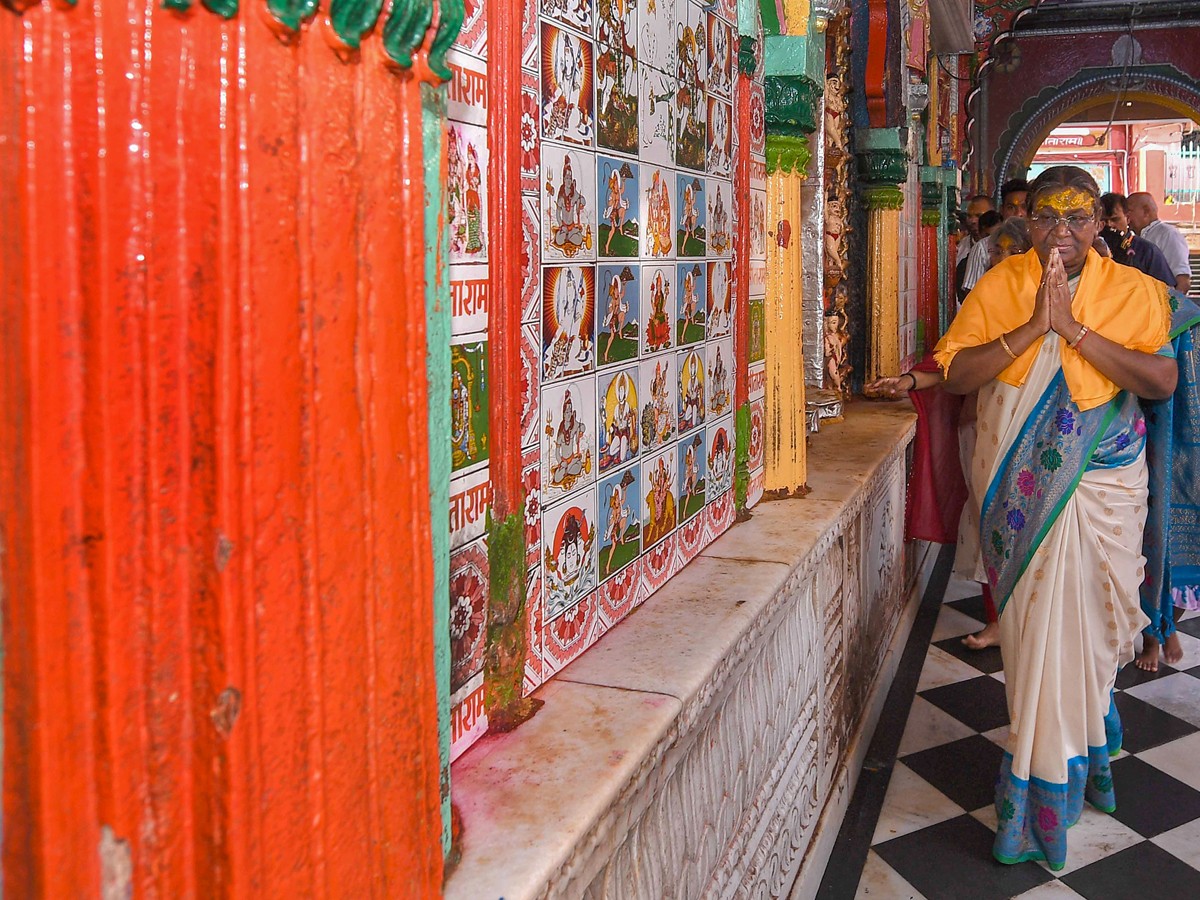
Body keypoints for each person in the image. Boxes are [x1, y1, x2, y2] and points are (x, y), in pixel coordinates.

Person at [935, 165, 1176, 871]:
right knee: (1039, 634)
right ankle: (1041, 785)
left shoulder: (1134, 291)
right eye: (1046, 217)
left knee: (1097, 632)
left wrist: (1070, 330)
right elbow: (955, 374)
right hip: (1021, 500)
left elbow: (1160, 379)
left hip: (1106, 495)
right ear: (1028, 221)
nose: (1060, 234)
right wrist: (1031, 327)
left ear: (1102, 223)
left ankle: (1085, 744)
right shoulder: (1000, 285)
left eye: (1076, 218)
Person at [871, 216, 1034, 651]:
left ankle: (1029, 621)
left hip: (1029, 434)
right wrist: (906, 382)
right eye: (997, 252)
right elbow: (949, 364)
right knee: (989, 525)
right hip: (980, 430)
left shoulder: (1042, 309)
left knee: (1027, 526)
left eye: (1009, 252)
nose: (1000, 260)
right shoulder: (985, 304)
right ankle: (999, 618)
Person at [961, 179, 1030, 296]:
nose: (1019, 213)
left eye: (1024, 207)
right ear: (1002, 210)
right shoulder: (982, 248)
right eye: (1011, 207)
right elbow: (972, 295)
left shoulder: (1040, 246)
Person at [1098, 192, 1175, 287]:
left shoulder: (1147, 251)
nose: (1109, 225)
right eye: (1104, 221)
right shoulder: (1090, 250)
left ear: (1128, 218)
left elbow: (1166, 291)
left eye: (1115, 219)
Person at [1126, 192, 1192, 293]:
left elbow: (1183, 281)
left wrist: (1169, 307)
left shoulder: (1168, 234)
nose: (1126, 216)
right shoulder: (1134, 238)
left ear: (1146, 211)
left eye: (1129, 211)